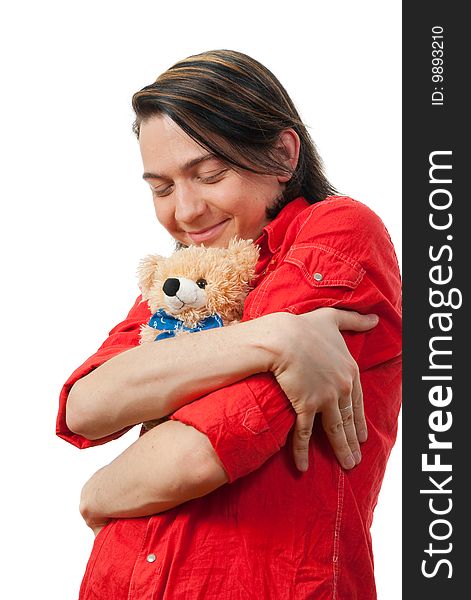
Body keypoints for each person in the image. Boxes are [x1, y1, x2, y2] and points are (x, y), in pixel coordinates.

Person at [56, 49, 402, 599]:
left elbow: (196, 457)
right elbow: (86, 408)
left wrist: (98, 492)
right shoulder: (183, 278)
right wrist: (277, 335)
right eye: (162, 187)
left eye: (209, 175)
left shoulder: (339, 232)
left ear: (284, 154)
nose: (186, 212)